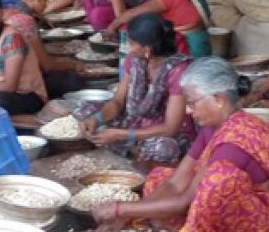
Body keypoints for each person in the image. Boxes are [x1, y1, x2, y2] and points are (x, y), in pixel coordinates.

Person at [92, 57, 269, 232]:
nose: (188, 111)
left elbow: (184, 201)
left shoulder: (236, 143)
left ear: (218, 99)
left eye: (192, 103)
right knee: (158, 178)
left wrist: (120, 209)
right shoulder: (214, 127)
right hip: (237, 211)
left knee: (217, 182)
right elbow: (175, 183)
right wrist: (128, 215)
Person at [79, 13, 195, 165]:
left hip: (166, 133)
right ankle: (132, 149)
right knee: (84, 111)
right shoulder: (134, 60)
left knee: (164, 149)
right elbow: (118, 102)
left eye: (132, 43)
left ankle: (133, 150)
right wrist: (97, 118)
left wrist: (122, 135)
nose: (130, 48)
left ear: (148, 48)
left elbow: (171, 127)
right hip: (135, 123)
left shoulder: (178, 70)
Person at [4, 0, 87, 99]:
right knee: (74, 81)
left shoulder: (10, 12)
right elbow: (47, 65)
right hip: (20, 84)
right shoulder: (25, 21)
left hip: (4, 77)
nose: (46, 4)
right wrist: (72, 65)